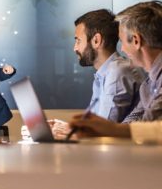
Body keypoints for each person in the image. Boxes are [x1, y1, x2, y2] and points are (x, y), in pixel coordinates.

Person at [70, 0, 162, 142]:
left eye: (123, 42)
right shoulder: (149, 83)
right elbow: (142, 126)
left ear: (136, 41)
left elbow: (149, 129)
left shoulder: (120, 71)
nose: (123, 49)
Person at [50, 9, 145, 139]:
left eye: (78, 40)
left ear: (96, 40)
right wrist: (66, 128)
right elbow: (95, 126)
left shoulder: (117, 72)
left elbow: (102, 131)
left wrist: (66, 132)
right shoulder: (104, 74)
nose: (75, 48)